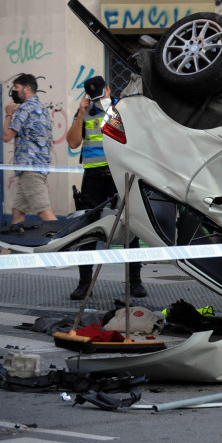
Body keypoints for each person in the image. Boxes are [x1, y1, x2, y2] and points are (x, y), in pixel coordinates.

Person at [65, 76, 146, 300]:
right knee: (89, 230)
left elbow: (133, 139)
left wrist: (112, 109)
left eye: (101, 94)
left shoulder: (122, 108)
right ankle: (84, 284)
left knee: (129, 228)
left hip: (119, 175)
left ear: (108, 89)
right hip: (93, 178)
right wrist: (81, 113)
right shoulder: (85, 112)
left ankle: (135, 283)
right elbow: (72, 143)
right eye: (94, 97)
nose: (98, 99)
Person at [3, 74, 57, 228]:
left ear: (27, 88)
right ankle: (10, 250)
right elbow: (50, 143)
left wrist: (8, 114)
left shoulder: (25, 109)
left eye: (16, 87)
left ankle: (65, 246)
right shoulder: (41, 108)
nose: (13, 91)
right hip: (35, 168)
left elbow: (7, 136)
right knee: (18, 210)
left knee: (43, 212)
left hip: (30, 168)